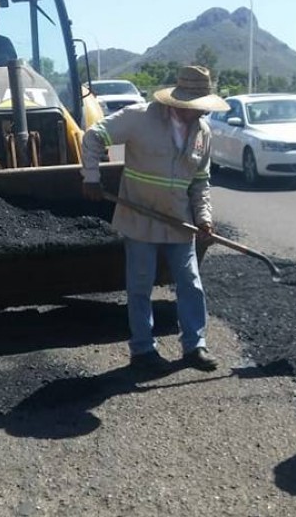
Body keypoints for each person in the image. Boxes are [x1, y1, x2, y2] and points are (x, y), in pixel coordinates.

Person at [81, 65, 230, 374]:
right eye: (192, 104)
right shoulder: (139, 117)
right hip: (139, 217)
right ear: (177, 99)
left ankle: (195, 346)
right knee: (139, 284)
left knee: (190, 283)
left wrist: (204, 218)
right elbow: (94, 136)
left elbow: (201, 182)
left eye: (201, 105)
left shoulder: (203, 132)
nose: (197, 111)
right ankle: (143, 350)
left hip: (179, 221)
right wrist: (91, 177)